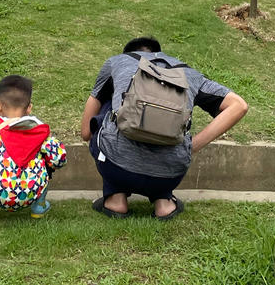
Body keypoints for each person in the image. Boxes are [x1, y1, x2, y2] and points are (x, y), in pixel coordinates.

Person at [80, 37, 248, 220]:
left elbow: (86, 132)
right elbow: (239, 105)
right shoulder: (190, 74)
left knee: (107, 107)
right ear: (159, 53)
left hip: (117, 166)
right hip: (170, 173)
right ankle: (164, 203)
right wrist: (193, 146)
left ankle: (115, 199)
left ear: (128, 53)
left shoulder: (117, 61)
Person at [0, 73, 67, 222]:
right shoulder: (39, 133)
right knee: (47, 157)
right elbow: (59, 159)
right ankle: (39, 207)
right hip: (31, 194)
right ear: (29, 108)